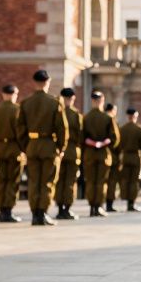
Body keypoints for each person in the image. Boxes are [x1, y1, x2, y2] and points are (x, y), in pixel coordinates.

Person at [18, 70, 68, 226]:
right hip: (48, 146)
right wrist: (61, 148)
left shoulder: (26, 103)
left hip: (32, 145)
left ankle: (35, 214)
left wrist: (26, 146)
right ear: (48, 82)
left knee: (34, 181)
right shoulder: (54, 102)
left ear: (34, 82)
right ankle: (43, 213)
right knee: (47, 181)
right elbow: (61, 128)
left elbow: (20, 128)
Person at [82, 91, 119, 217]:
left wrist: (91, 143)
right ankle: (98, 206)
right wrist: (103, 143)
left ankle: (92, 207)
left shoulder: (86, 117)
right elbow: (114, 138)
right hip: (103, 154)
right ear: (102, 101)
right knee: (101, 181)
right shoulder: (108, 118)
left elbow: (82, 137)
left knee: (91, 181)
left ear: (92, 101)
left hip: (89, 154)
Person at [0, 84, 24, 223]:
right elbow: (21, 132)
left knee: (0, 181)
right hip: (14, 148)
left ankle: (1, 211)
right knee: (12, 181)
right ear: (14, 94)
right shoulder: (18, 110)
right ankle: (8, 211)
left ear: (2, 94)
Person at [55, 88, 84, 221]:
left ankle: (59, 207)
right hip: (72, 151)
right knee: (70, 182)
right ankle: (66, 208)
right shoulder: (75, 114)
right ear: (72, 99)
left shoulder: (56, 111)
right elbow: (80, 135)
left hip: (58, 151)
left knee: (59, 181)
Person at [119, 107, 141, 212]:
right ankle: (131, 203)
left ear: (128, 116)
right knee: (134, 181)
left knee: (125, 180)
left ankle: (126, 200)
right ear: (135, 116)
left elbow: (118, 145)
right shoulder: (139, 129)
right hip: (135, 157)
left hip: (125, 157)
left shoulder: (122, 129)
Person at [102, 101, 120, 213]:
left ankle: (96, 205)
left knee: (100, 181)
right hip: (110, 155)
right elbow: (116, 139)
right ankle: (109, 204)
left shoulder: (95, 118)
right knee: (111, 181)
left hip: (94, 153)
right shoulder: (111, 120)